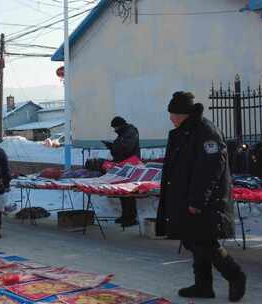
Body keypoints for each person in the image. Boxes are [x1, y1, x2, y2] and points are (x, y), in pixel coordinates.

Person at [156, 92, 246, 302]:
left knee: (206, 242)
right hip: (187, 198)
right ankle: (203, 286)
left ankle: (236, 275)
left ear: (184, 114)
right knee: (194, 240)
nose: (171, 118)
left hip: (205, 201)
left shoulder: (206, 131)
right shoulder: (183, 132)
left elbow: (210, 169)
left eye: (174, 114)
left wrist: (197, 200)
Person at [105, 116, 140, 228]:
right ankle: (125, 215)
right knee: (122, 192)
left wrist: (113, 147)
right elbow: (119, 147)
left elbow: (126, 148)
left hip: (130, 165)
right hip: (123, 165)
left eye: (115, 127)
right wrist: (112, 147)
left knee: (128, 192)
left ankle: (131, 217)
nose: (115, 130)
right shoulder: (123, 134)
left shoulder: (130, 132)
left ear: (120, 125)